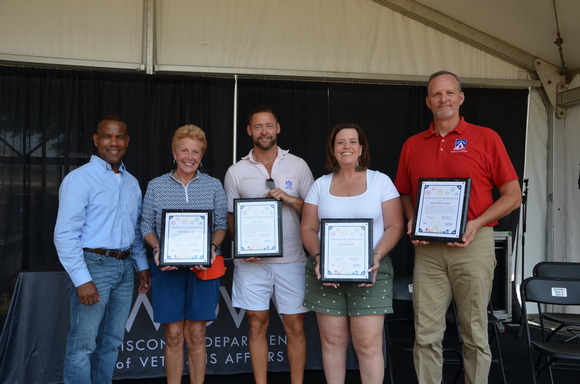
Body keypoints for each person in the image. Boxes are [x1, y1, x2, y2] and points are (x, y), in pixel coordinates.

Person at [394, 70, 522, 384]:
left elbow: (513, 195)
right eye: (437, 94)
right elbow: (405, 192)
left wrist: (476, 223)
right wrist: (412, 217)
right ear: (428, 101)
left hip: (474, 245)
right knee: (425, 334)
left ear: (461, 98)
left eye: (450, 93)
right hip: (429, 252)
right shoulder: (413, 145)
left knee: (475, 333)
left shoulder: (486, 138)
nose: (444, 99)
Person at [300, 122, 404, 384]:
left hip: (372, 270)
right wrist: (319, 257)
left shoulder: (381, 181)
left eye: (352, 142)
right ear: (333, 150)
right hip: (326, 272)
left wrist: (376, 256)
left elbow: (395, 226)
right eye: (340, 142)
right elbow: (308, 228)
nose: (346, 147)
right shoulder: (320, 185)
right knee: (332, 342)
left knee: (368, 345)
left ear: (361, 149)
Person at [54, 115, 151, 384]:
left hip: (125, 268)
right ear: (96, 140)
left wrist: (142, 266)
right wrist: (81, 279)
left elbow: (134, 230)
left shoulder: (131, 182)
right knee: (83, 345)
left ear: (127, 141)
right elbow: (65, 234)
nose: (113, 142)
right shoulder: (80, 179)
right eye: (107, 136)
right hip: (93, 267)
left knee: (111, 342)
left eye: (119, 137)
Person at [223, 106, 314, 384]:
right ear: (249, 131)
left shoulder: (298, 165)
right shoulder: (236, 171)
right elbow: (229, 219)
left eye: (269, 126)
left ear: (278, 129)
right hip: (253, 264)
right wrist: (243, 246)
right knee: (256, 323)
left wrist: (289, 198)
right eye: (258, 127)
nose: (264, 131)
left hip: (293, 261)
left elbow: (313, 211)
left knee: (295, 326)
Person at [140, 125, 228, 384]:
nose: (189, 157)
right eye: (184, 151)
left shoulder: (213, 185)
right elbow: (146, 227)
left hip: (203, 269)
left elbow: (221, 226)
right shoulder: (156, 186)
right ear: (174, 153)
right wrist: (159, 249)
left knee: (197, 336)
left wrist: (210, 249)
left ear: (202, 156)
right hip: (167, 270)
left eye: (196, 152)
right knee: (174, 336)